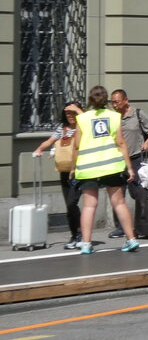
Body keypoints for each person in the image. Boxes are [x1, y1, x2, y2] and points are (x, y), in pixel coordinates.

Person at [72, 85, 139, 254]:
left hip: (88, 167)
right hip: (112, 165)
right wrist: (129, 168)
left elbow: (77, 145)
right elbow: (121, 143)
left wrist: (73, 168)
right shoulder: (114, 116)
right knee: (119, 202)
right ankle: (131, 239)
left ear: (90, 99)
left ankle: (86, 244)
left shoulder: (83, 118)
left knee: (89, 206)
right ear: (106, 99)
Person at [32, 101, 84, 249]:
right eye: (68, 113)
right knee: (69, 205)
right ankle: (74, 235)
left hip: (79, 170)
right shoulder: (62, 128)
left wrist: (79, 112)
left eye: (73, 113)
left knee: (72, 202)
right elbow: (50, 141)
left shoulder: (82, 127)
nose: (70, 116)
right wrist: (39, 149)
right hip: (64, 170)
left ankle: (80, 234)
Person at [107, 89, 148, 238]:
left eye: (117, 101)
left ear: (125, 100)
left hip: (136, 158)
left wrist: (147, 143)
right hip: (117, 159)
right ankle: (120, 227)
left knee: (137, 192)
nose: (115, 105)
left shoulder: (137, 113)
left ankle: (140, 224)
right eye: (112, 102)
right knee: (117, 193)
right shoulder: (112, 116)